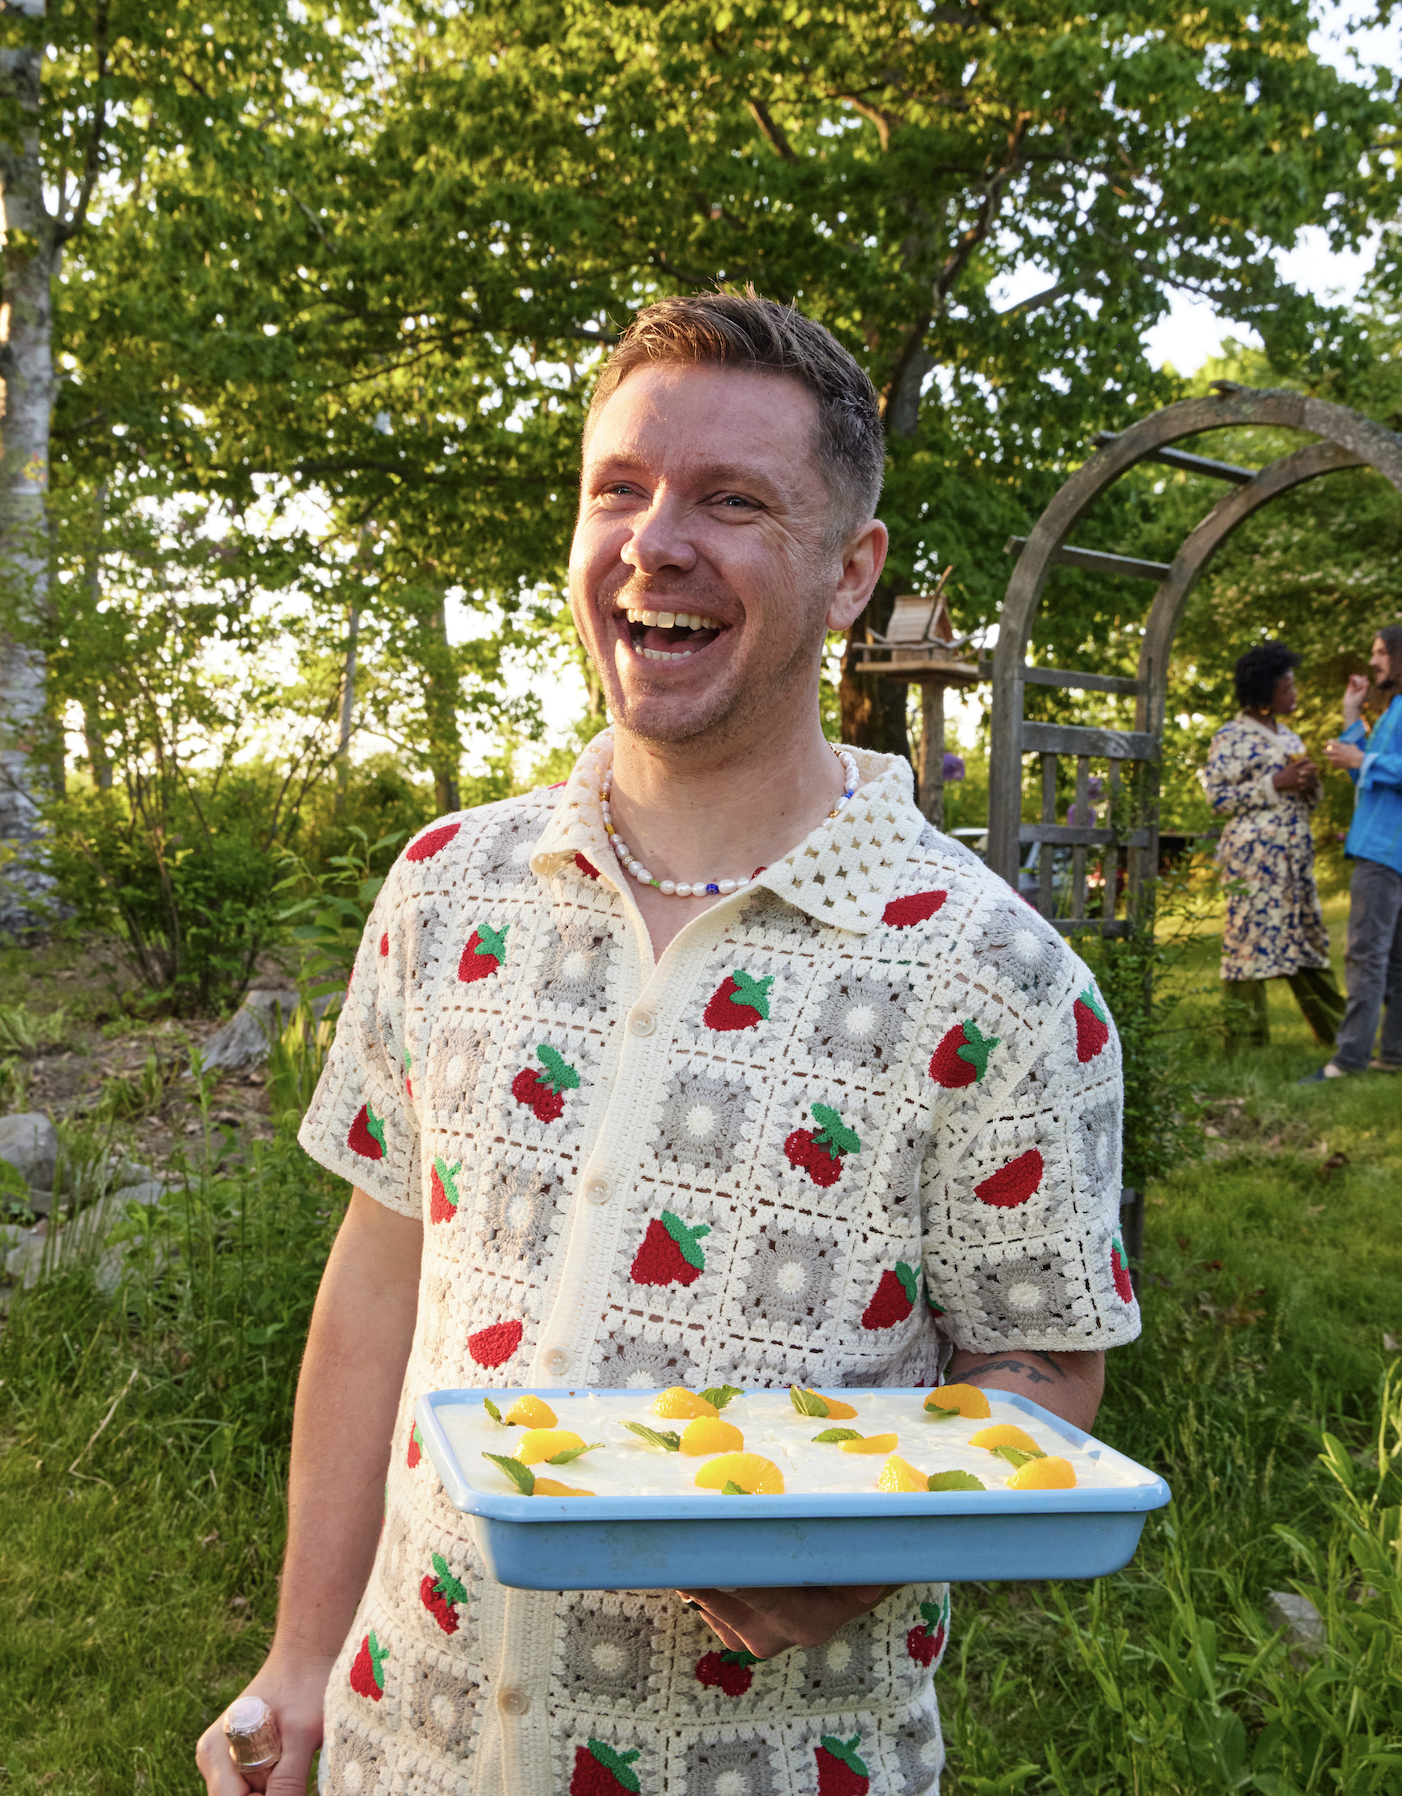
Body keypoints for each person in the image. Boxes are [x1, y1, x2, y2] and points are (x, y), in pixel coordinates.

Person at [196, 292, 1139, 1796]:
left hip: (759, 1762)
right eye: (617, 489)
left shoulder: (995, 976)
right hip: (408, 1738)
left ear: (848, 575)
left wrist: (850, 1552)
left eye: (732, 500)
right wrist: (303, 1662)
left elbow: (1038, 1361)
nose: (654, 539)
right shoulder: (449, 891)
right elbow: (384, 1279)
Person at [1200, 642, 1344, 1056]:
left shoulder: (1290, 735)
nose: (1295, 693)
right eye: (1287, 686)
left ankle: (1337, 1033)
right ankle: (1245, 1046)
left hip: (1294, 858)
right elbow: (1218, 799)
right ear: (1264, 691)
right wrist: (1273, 784)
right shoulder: (1230, 737)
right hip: (1254, 861)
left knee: (1305, 938)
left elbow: (1299, 799)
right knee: (1250, 941)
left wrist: (1308, 786)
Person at [1304, 626, 1402, 1079]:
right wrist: (1350, 713)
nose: (1375, 660)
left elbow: (1372, 771)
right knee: (1395, 961)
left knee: (1365, 955)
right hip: (1388, 847)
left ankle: (1348, 1059)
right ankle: (1393, 1053)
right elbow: (1369, 781)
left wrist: (1364, 761)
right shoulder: (1393, 709)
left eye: (1382, 652)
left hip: (1384, 851)